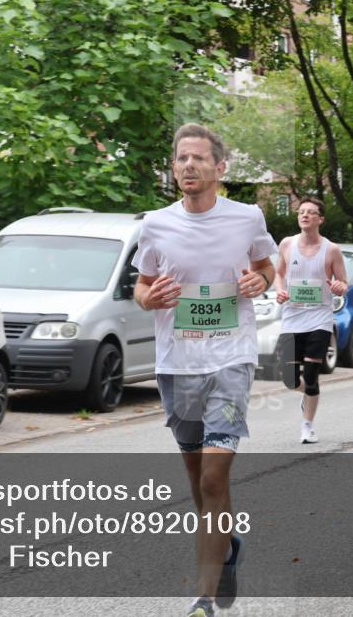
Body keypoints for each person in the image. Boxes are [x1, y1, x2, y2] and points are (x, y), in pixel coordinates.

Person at [133, 123, 277, 617]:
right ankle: (227, 546)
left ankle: (204, 599)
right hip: (178, 364)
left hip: (231, 360)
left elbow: (267, 267)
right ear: (174, 168)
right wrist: (149, 297)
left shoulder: (247, 217)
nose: (188, 165)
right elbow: (143, 286)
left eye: (198, 158)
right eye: (181, 158)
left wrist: (260, 281)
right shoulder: (156, 224)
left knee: (215, 479)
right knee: (199, 483)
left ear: (220, 168)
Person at [274, 197, 348, 444]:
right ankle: (311, 394)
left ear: (320, 219)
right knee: (289, 378)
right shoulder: (287, 244)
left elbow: (343, 283)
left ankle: (307, 425)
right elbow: (279, 273)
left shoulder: (332, 249)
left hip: (319, 319)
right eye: (301, 212)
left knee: (312, 374)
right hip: (292, 318)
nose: (304, 215)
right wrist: (280, 291)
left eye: (311, 212)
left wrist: (339, 287)